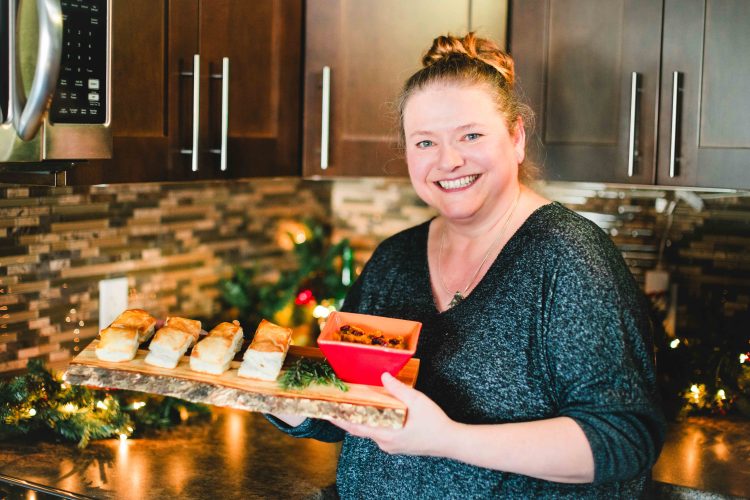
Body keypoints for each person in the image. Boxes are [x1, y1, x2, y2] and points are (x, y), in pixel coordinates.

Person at [268, 33, 665, 498]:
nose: (448, 160)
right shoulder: (395, 259)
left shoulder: (569, 257)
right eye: (424, 142)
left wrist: (449, 439)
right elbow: (356, 405)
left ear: (516, 138)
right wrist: (279, 395)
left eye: (471, 135)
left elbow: (623, 440)